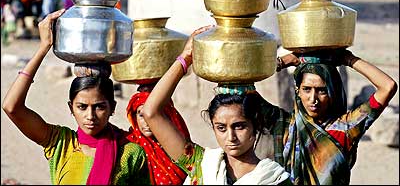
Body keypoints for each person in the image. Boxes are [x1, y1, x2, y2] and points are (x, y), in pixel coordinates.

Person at [2, 9, 151, 185]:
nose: (90, 116)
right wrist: (43, 48)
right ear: (70, 108)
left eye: (99, 107)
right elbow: (11, 107)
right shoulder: (60, 143)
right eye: (82, 107)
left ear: (113, 108)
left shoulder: (130, 153)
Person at [141, 25, 291, 185]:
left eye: (239, 126)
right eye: (221, 128)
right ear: (213, 127)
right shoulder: (201, 164)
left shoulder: (274, 179)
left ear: (256, 124)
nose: (231, 137)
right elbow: (151, 112)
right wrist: (185, 59)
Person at [260, 49, 398, 185]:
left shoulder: (346, 128)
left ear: (333, 92)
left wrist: (349, 59)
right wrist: (283, 61)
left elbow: (388, 86)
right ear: (298, 91)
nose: (313, 98)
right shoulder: (284, 124)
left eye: (322, 90)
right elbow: (242, 89)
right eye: (306, 89)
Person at [125, 82, 191, 184]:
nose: (147, 121)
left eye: (155, 115)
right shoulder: (129, 146)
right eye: (141, 115)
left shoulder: (179, 145)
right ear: (134, 117)